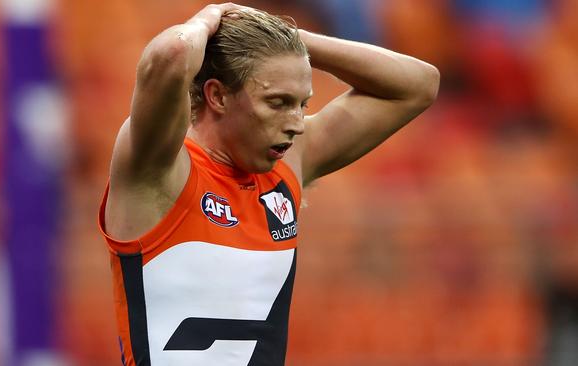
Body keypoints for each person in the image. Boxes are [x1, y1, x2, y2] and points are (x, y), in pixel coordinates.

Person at [98, 3, 439, 366]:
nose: (297, 123)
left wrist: (295, 41)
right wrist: (209, 19)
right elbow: (173, 53)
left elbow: (419, 84)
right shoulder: (159, 172)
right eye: (278, 103)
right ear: (217, 96)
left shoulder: (286, 166)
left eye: (302, 105)